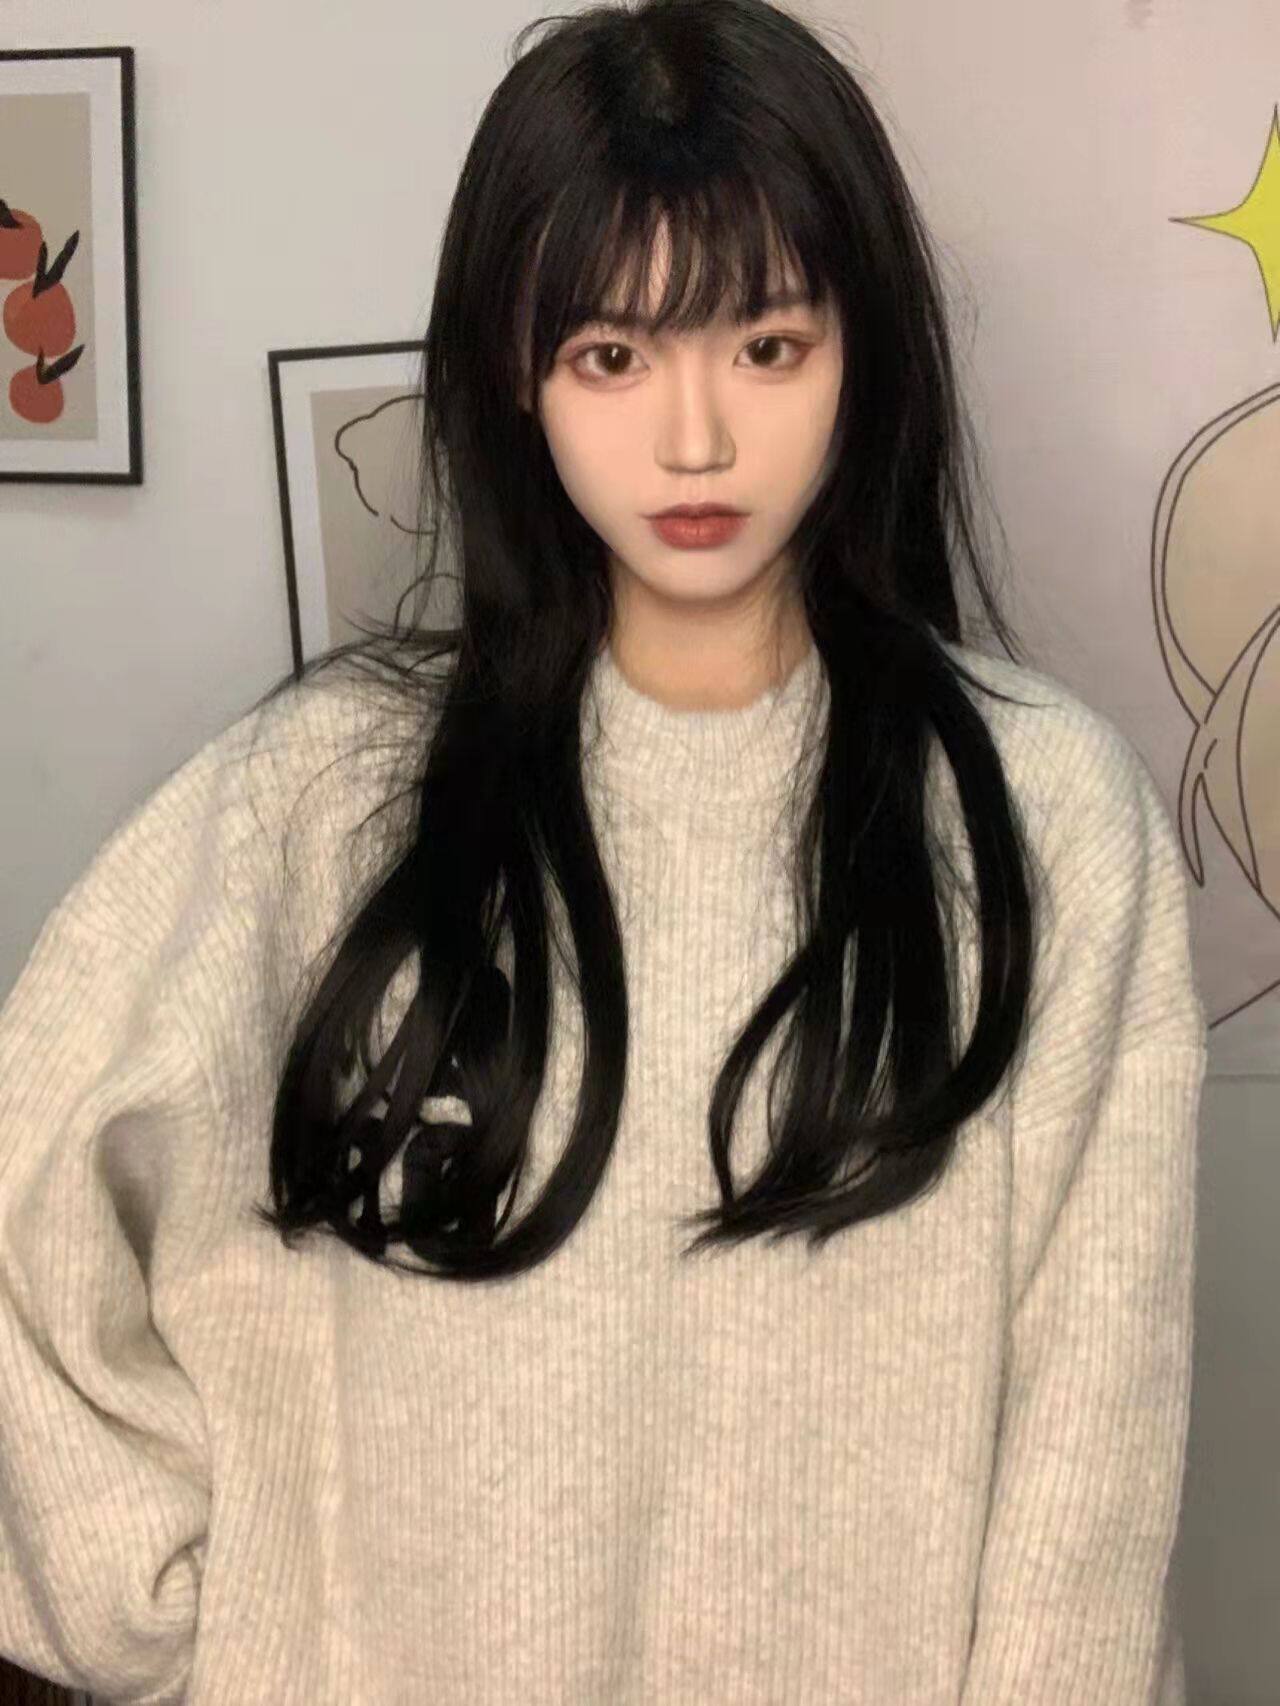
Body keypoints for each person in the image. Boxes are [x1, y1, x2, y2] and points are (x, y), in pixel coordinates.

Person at [0, 1, 1208, 1700]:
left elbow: (1091, 1476)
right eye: (611, 357)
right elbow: (27, 1183)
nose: (694, 439)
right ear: (516, 367)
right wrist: (168, 1609)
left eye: (767, 346)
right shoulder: (321, 794)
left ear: (864, 353)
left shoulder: (1044, 816)